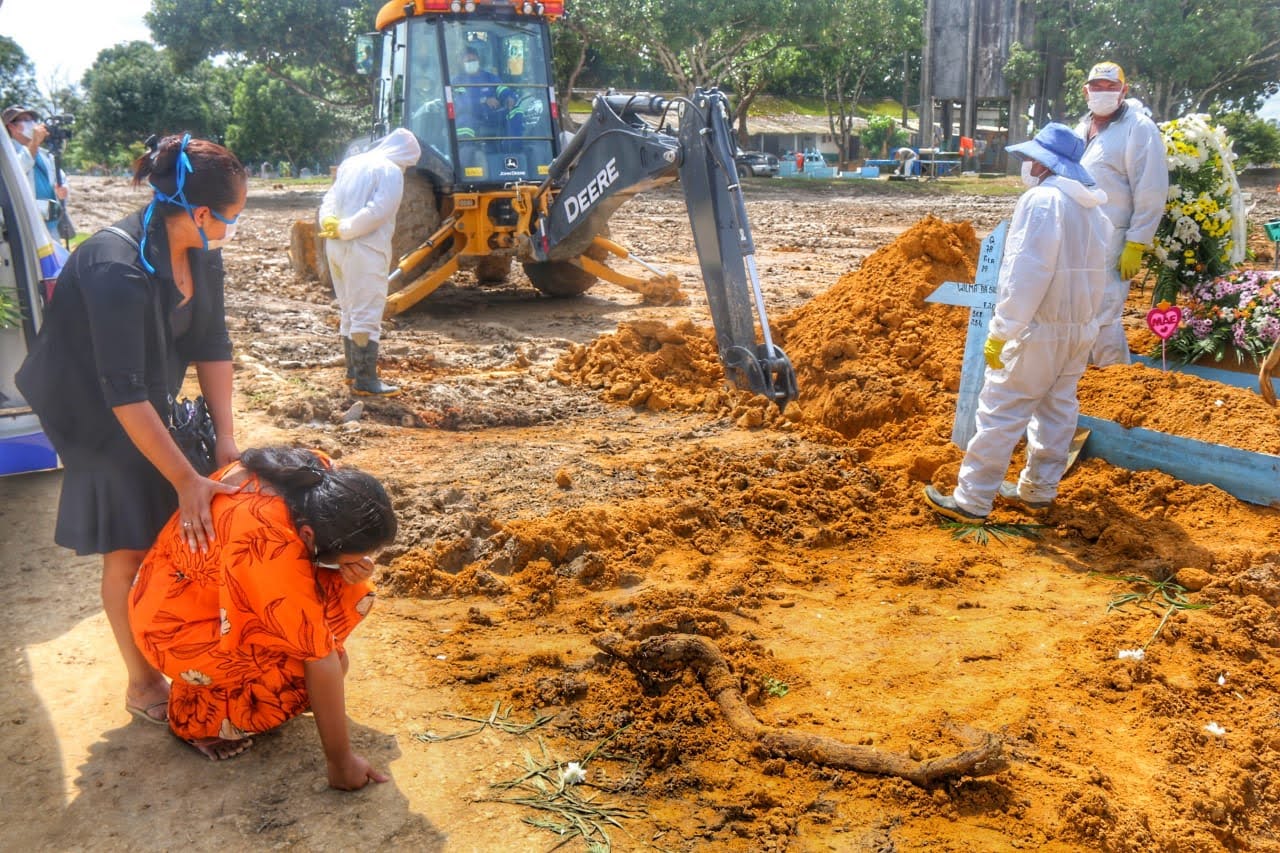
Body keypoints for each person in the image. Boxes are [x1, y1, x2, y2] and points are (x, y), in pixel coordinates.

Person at [15, 133, 246, 725]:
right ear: (201, 213)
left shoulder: (200, 253)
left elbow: (212, 342)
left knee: (179, 523)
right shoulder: (114, 266)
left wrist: (224, 439)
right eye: (232, 217)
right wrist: (185, 479)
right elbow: (121, 391)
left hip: (145, 396)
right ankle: (142, 682)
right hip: (92, 410)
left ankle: (184, 647)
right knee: (130, 545)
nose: (231, 228)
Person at [129, 447, 396, 787]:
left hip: (190, 592)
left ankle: (217, 694)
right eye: (350, 556)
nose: (360, 563)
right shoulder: (268, 540)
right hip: (176, 629)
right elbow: (319, 656)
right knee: (308, 673)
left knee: (348, 590)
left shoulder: (316, 473)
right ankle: (198, 721)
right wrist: (341, 763)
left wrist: (345, 565)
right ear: (308, 535)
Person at [924, 123, 1111, 521]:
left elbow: (1026, 274)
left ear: (1044, 164)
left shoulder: (1043, 202)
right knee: (1057, 411)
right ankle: (1038, 490)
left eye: (1029, 158)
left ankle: (972, 499)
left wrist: (1002, 330)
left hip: (1038, 328)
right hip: (1080, 328)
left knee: (1002, 409)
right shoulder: (1095, 211)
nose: (1026, 164)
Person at [1074, 61, 1168, 366]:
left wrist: (1137, 241)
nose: (1103, 92)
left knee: (1104, 311)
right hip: (1077, 233)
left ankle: (1116, 378)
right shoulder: (1081, 127)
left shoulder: (1138, 128)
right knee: (1078, 308)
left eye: (1111, 87)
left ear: (1123, 91)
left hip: (1112, 236)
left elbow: (1151, 187)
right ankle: (1083, 377)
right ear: (1086, 91)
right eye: (1097, 87)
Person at [318, 128, 422, 396]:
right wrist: (347, 229)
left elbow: (329, 199)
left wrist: (330, 223)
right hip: (365, 249)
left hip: (335, 245)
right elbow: (378, 212)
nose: (406, 169)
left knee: (349, 308)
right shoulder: (390, 171)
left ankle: (352, 371)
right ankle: (366, 381)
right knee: (367, 311)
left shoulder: (351, 163)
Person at [4, 105, 69, 243]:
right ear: (11, 126)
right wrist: (34, 141)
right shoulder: (6, 155)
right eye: (25, 120)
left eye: (33, 120)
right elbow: (17, 170)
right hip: (25, 226)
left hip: (50, 225)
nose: (32, 124)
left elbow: (60, 176)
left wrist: (63, 189)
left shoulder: (45, 154)